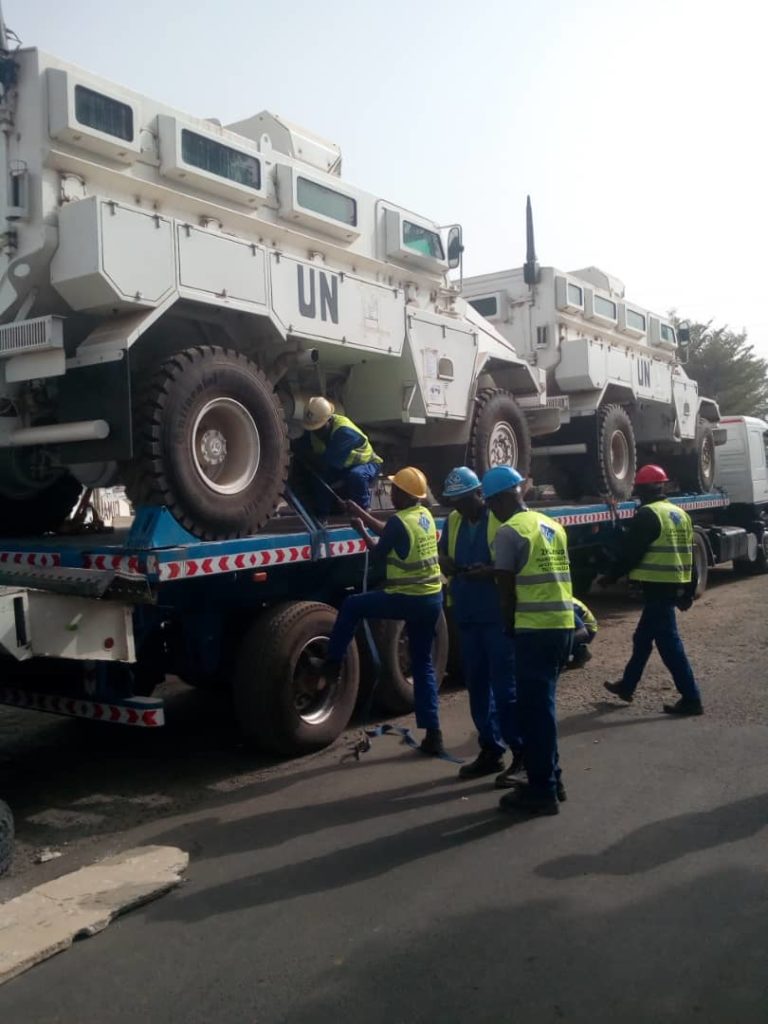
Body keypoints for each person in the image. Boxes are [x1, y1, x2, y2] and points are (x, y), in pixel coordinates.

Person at [317, 466, 446, 755]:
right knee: (423, 664)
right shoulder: (423, 516)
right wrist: (360, 513)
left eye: (394, 490)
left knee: (352, 606)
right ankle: (433, 734)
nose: (390, 493)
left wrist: (360, 529)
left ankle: (333, 663)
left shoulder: (401, 522)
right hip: (431, 600)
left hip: (408, 599)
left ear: (403, 494)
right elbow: (390, 531)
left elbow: (378, 552)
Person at [482, 465, 575, 817]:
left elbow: (505, 592)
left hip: (534, 631)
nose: (492, 510)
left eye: (492, 503)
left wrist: (508, 626)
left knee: (534, 714)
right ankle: (553, 778)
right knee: (543, 709)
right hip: (562, 626)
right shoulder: (551, 526)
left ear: (504, 497)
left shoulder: (509, 532)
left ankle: (542, 791)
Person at [439, 466, 524, 782]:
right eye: (454, 502)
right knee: (477, 686)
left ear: (480, 494)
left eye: (464, 499)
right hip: (468, 614)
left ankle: (521, 752)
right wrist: (443, 560)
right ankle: (491, 749)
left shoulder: (500, 518)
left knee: (506, 689)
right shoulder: (454, 521)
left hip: (497, 614)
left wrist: (487, 571)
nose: (459, 506)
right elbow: (443, 551)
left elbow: (513, 564)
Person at [600, 464, 703, 715]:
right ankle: (627, 685)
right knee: (643, 638)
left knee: (669, 645)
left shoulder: (648, 515)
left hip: (657, 589)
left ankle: (691, 698)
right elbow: (688, 556)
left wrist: (611, 576)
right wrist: (688, 591)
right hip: (671, 586)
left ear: (643, 490)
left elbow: (631, 553)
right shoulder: (679, 514)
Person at [296, 397, 383, 514]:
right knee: (318, 478)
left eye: (319, 428)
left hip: (368, 464)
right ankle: (321, 514)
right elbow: (302, 447)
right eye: (313, 429)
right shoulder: (312, 430)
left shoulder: (344, 432)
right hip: (342, 466)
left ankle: (364, 511)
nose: (317, 432)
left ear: (329, 420)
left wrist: (303, 453)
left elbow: (325, 464)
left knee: (356, 476)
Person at [568, 596, 598, 668]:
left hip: (588, 630)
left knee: (559, 640)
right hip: (580, 628)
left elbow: (581, 631)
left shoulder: (567, 605)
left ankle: (581, 653)